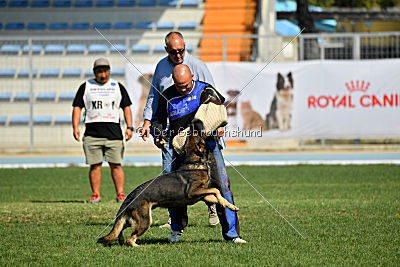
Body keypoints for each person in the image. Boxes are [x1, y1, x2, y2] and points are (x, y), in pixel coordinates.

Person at [151, 64, 246, 244]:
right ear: (173, 82)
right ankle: (176, 230)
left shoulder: (205, 90)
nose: (184, 88)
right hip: (181, 154)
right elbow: (157, 120)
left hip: (209, 149)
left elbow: (218, 109)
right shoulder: (167, 95)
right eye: (180, 86)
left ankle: (232, 235)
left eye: (187, 85)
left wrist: (219, 126)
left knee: (223, 189)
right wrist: (158, 135)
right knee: (176, 192)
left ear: (192, 77)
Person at [140, 31, 220, 227]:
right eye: (174, 51)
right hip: (173, 133)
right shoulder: (161, 67)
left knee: (206, 173)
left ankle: (213, 207)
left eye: (181, 50)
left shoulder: (198, 66)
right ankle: (174, 219)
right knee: (170, 175)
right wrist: (147, 121)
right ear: (166, 49)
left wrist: (216, 125)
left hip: (198, 135)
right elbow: (154, 96)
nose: (178, 55)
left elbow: (213, 96)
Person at [72, 58, 133, 204]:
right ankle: (95, 195)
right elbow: (77, 107)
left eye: (105, 71)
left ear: (109, 71)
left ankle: (120, 194)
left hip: (114, 133)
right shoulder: (86, 86)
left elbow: (126, 107)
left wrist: (129, 127)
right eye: (100, 71)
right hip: (92, 133)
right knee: (95, 165)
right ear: (94, 72)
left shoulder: (117, 86)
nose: (103, 74)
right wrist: (75, 126)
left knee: (116, 165)